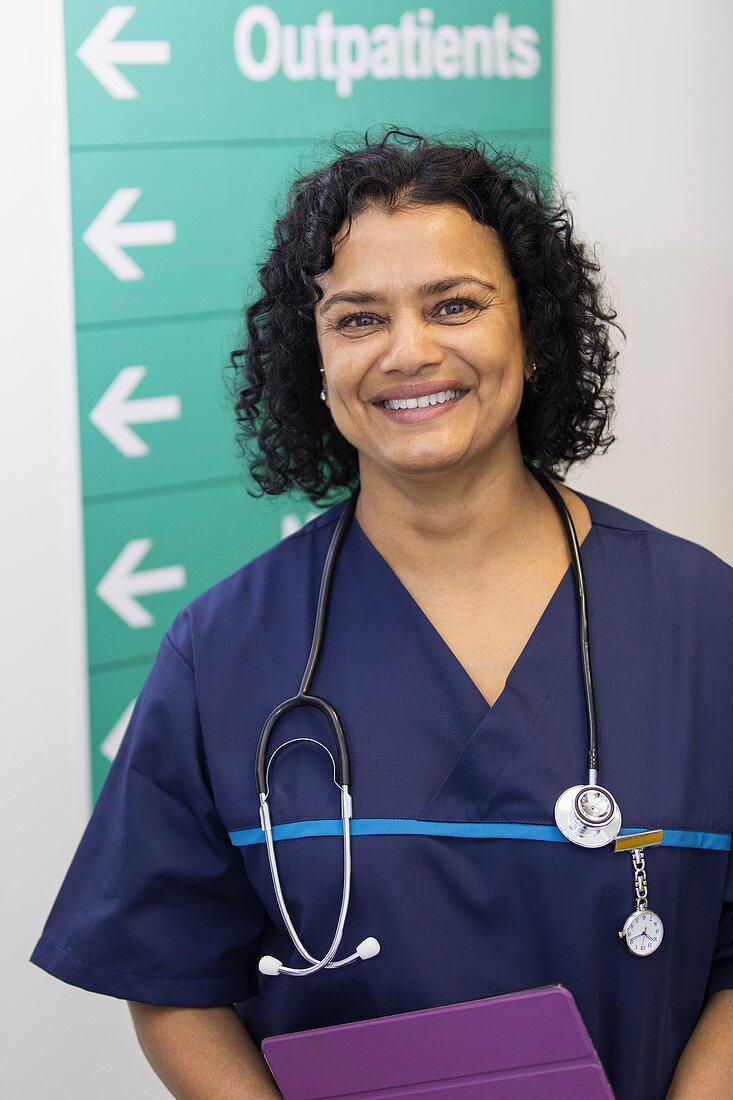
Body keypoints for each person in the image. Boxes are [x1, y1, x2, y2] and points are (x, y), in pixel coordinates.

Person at [31, 130, 732, 1099]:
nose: (409, 351)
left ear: (530, 332)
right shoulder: (224, 649)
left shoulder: (703, 622)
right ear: (313, 359)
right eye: (358, 318)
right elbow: (172, 976)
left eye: (454, 304)